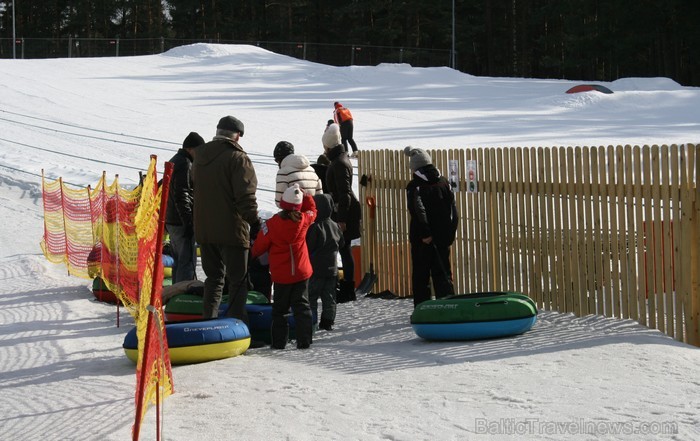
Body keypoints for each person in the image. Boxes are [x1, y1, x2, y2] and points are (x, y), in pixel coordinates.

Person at [193, 115, 261, 327]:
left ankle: (208, 323)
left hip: (204, 229)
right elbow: (245, 197)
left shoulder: (199, 156)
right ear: (237, 136)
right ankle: (236, 326)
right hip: (232, 229)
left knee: (213, 280)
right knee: (237, 281)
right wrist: (256, 222)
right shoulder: (238, 158)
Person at [251, 185, 317, 349]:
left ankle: (279, 342)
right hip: (302, 273)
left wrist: (251, 254)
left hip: (281, 275)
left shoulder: (272, 225)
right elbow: (313, 210)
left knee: (280, 310)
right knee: (302, 307)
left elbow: (259, 247)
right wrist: (306, 196)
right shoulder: (304, 220)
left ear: (282, 204)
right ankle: (305, 341)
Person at [404, 146, 459, 308]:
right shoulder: (444, 182)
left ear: (414, 167)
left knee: (421, 276)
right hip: (443, 237)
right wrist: (450, 232)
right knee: (443, 273)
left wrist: (426, 233)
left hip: (423, 239)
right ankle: (448, 307)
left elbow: (417, 210)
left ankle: (423, 309)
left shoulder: (415, 186)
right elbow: (452, 210)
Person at [322, 123, 361, 302]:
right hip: (342, 211)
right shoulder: (340, 159)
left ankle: (347, 289)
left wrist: (342, 219)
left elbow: (344, 193)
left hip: (344, 212)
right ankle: (347, 288)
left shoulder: (339, 163)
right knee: (344, 249)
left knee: (344, 249)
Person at [165, 131, 204, 283]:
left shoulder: (177, 160)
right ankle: (183, 296)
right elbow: (182, 194)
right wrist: (188, 220)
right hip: (180, 220)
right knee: (186, 261)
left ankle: (176, 293)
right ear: (190, 149)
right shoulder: (185, 164)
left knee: (178, 260)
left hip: (173, 219)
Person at [306, 193, 344, 331]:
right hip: (332, 268)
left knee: (312, 296)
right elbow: (342, 243)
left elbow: (309, 246)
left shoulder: (315, 227)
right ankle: (328, 321)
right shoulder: (335, 226)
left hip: (316, 268)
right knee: (329, 297)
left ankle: (312, 321)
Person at [273, 140, 323, 207]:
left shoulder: (283, 172)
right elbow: (319, 195)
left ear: (280, 159)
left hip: (293, 214)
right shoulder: (311, 169)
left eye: (276, 160)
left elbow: (280, 202)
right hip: (311, 214)